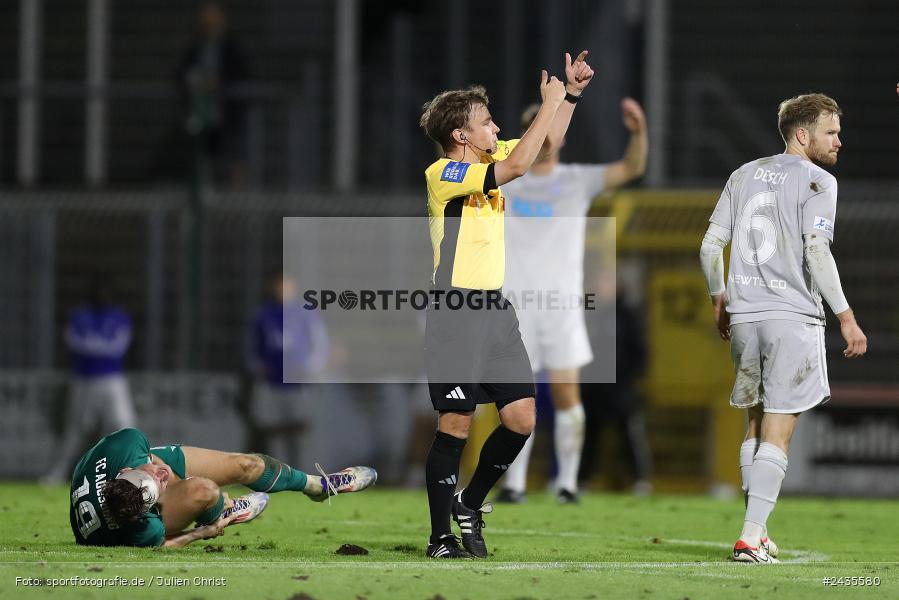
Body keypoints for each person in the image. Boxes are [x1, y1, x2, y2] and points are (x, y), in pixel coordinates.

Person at [418, 51, 593, 559]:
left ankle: (469, 503)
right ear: (461, 136)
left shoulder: (492, 161)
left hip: (495, 310)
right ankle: (438, 540)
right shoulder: (443, 174)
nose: (495, 126)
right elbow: (521, 163)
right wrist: (550, 102)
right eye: (486, 121)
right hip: (455, 311)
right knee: (456, 423)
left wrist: (570, 98)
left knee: (520, 418)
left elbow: (545, 145)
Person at [699, 93, 867, 563]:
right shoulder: (819, 181)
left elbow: (710, 245)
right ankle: (750, 538)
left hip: (746, 317)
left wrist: (719, 297)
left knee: (755, 423)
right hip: (791, 316)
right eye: (830, 132)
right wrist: (846, 316)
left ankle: (760, 529)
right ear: (802, 134)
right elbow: (817, 250)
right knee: (779, 430)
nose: (839, 140)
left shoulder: (743, 174)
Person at [496, 96, 649, 503]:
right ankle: (514, 485)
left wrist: (638, 133)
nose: (546, 137)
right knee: (518, 396)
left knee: (567, 395)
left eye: (551, 129)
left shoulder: (576, 180)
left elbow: (632, 168)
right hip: (517, 303)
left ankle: (566, 483)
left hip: (561, 304)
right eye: (537, 129)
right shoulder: (507, 178)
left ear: (561, 138)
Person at [69, 427, 376, 548]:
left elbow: (153, 471)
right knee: (204, 491)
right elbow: (161, 545)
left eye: (155, 474)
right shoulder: (143, 528)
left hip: (115, 469)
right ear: (149, 512)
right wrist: (201, 532)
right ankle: (222, 512)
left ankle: (318, 486)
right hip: (127, 504)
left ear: (126, 469)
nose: (163, 475)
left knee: (247, 465)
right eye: (159, 486)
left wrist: (163, 476)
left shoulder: (127, 444)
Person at [44, 277, 137, 484]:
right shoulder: (80, 317)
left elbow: (118, 347)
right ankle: (57, 474)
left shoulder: (119, 317)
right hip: (84, 380)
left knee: (124, 425)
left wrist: (94, 347)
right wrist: (100, 348)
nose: (101, 295)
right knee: (76, 429)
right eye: (98, 291)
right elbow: (75, 344)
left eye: (105, 291)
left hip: (113, 380)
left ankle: (129, 474)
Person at [248, 273, 329, 466]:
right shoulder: (263, 315)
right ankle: (280, 473)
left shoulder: (306, 315)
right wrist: (258, 367)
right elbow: (252, 347)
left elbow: (320, 345)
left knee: (301, 429)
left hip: (298, 383)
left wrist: (309, 369)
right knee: (275, 430)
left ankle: (303, 471)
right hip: (273, 382)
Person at [176, 0, 250, 187]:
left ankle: (236, 201)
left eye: (213, 16)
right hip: (202, 114)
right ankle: (203, 196)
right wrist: (194, 82)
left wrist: (219, 82)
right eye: (206, 16)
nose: (209, 20)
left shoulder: (231, 46)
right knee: (201, 159)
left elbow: (240, 73)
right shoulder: (196, 46)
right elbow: (181, 73)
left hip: (227, 113)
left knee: (234, 156)